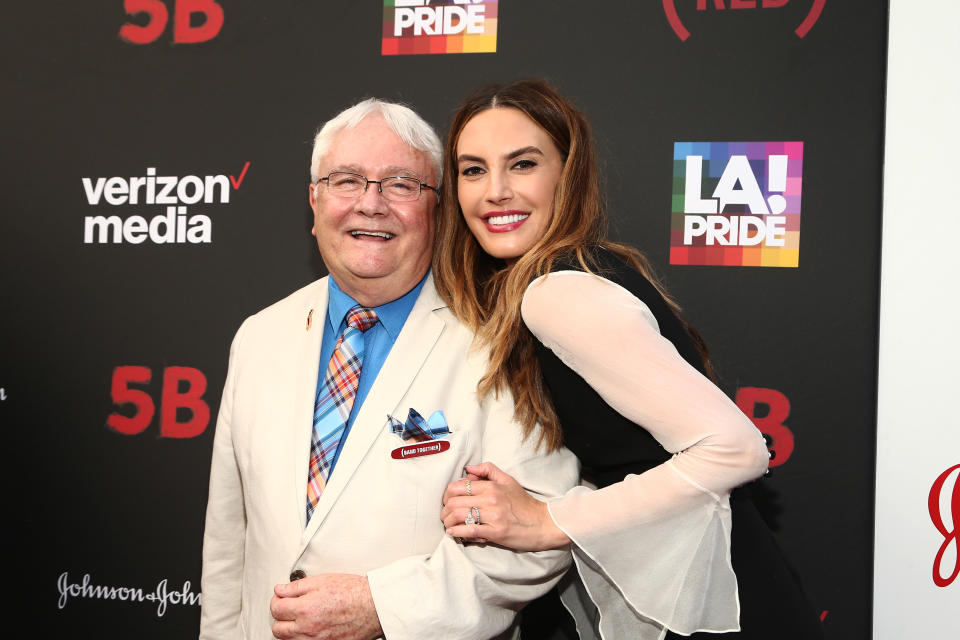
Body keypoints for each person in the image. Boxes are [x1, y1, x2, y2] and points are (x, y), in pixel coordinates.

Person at [435, 80, 825, 640]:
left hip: (715, 596)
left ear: (567, 175)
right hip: (703, 581)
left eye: (522, 164)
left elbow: (735, 448)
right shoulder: (583, 270)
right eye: (472, 170)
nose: (494, 191)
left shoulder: (556, 293)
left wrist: (551, 520)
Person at [199, 97, 578, 640]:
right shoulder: (259, 336)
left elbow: (536, 535)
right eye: (346, 180)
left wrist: (383, 607)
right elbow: (227, 539)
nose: (370, 205)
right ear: (314, 200)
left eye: (401, 184)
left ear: (439, 210)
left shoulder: (503, 337)